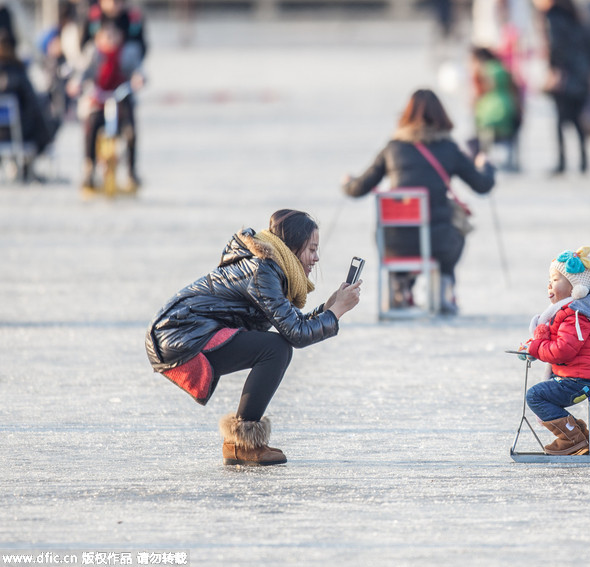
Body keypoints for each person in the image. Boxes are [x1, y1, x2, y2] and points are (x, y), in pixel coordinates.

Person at [145, 210, 361, 466]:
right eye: (312, 249)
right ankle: (242, 444)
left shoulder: (272, 267)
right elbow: (296, 336)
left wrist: (328, 308)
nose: (316, 258)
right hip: (178, 335)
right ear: (293, 246)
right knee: (276, 349)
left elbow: (293, 325)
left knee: (276, 346)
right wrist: (337, 313)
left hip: (183, 332)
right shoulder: (263, 270)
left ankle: (241, 443)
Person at [342, 88, 495, 315]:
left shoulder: (392, 148)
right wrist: (486, 166)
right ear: (441, 116)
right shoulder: (449, 149)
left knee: (396, 231)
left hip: (393, 243)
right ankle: (444, 285)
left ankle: (399, 286)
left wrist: (348, 182)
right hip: (439, 243)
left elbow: (358, 189)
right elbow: (482, 185)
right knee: (458, 231)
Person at [521, 247, 590, 456]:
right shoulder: (572, 312)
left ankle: (571, 438)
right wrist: (534, 347)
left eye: (556, 279)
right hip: (581, 377)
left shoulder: (577, 315)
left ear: (576, 287)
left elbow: (563, 351)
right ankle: (579, 435)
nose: (549, 285)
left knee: (535, 396)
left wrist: (537, 347)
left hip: (583, 381)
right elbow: (557, 341)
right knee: (541, 393)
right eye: (549, 279)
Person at [68, 21, 144, 191]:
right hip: (100, 100)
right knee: (91, 127)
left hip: (120, 100)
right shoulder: (93, 53)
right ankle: (89, 168)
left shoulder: (128, 53)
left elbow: (138, 70)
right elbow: (83, 72)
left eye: (113, 36)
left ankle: (132, 170)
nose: (110, 40)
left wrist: (138, 79)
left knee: (130, 130)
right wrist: (77, 84)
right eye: (106, 36)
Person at [534, 0, 590, 175]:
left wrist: (554, 69)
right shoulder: (575, 16)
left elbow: (556, 45)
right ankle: (583, 161)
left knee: (560, 121)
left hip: (565, 75)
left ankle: (562, 162)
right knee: (576, 120)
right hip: (580, 74)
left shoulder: (553, 16)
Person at [0, 29, 58, 179]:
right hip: (20, 132)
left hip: (6, 132)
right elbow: (32, 105)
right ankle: (26, 167)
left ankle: (23, 167)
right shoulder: (17, 72)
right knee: (49, 122)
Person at [469, 46, 521, 170]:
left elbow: (477, 95)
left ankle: (482, 162)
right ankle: (512, 163)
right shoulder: (504, 69)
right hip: (507, 110)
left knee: (482, 136)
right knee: (510, 138)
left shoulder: (482, 71)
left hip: (487, 115)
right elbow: (515, 89)